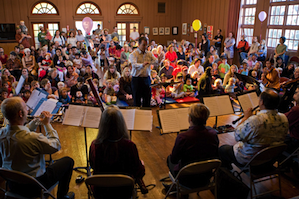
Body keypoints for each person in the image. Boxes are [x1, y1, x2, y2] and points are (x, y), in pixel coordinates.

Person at [0, 97, 74, 199]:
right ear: (20, 114)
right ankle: (62, 197)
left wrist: (36, 121)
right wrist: (47, 125)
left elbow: (20, 132)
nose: (28, 110)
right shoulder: (33, 138)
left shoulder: (2, 133)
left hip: (12, 183)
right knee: (68, 161)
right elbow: (55, 145)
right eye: (26, 107)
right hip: (35, 185)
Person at [219, 89, 289, 169]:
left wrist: (246, 118)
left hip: (251, 159)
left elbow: (238, 136)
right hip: (270, 159)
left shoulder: (256, 120)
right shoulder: (284, 118)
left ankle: (227, 176)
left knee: (223, 149)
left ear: (262, 102)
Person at [89, 106, 147, 198]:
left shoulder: (95, 145)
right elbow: (138, 172)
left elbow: (93, 165)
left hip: (101, 192)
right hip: (124, 192)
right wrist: (142, 165)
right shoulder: (129, 145)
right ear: (121, 123)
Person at [165, 103, 219, 190]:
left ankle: (178, 188)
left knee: (169, 159)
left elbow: (174, 160)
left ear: (190, 119)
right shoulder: (213, 134)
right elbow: (216, 155)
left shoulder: (183, 137)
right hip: (205, 178)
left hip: (186, 179)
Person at [129, 37, 157, 107]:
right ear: (138, 44)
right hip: (137, 79)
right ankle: (137, 117)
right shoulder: (133, 54)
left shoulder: (149, 54)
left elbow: (156, 61)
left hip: (146, 79)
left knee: (147, 100)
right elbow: (134, 65)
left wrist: (159, 59)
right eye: (144, 45)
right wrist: (142, 65)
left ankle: (146, 117)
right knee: (137, 101)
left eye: (147, 45)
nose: (145, 47)